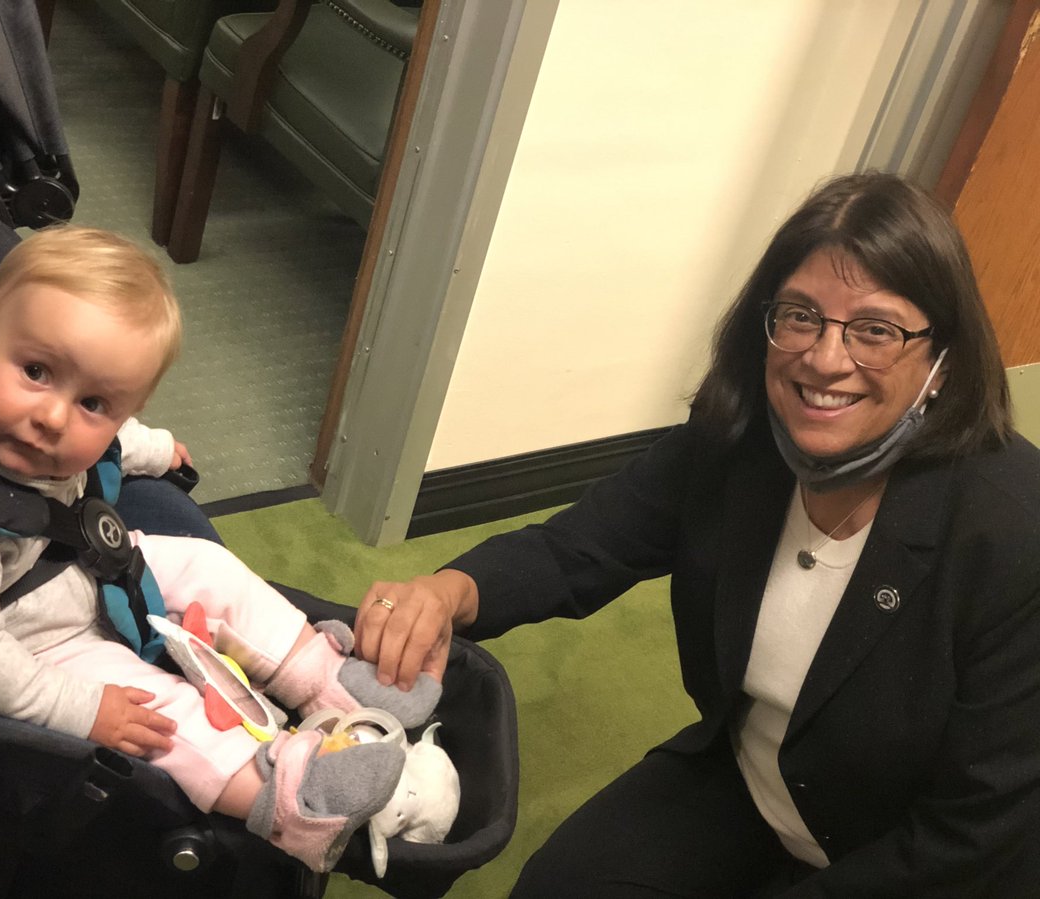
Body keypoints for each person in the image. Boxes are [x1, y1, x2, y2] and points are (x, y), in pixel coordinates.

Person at [351, 172, 1040, 895]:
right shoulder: (736, 447)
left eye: (875, 329)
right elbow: (579, 547)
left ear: (941, 361)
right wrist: (445, 592)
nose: (825, 357)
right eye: (800, 315)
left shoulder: (1014, 534)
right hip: (753, 786)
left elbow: (973, 837)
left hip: (920, 858)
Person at [0, 225, 440, 873]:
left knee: (206, 565)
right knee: (155, 716)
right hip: (38, 642)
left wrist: (153, 446)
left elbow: (111, 440)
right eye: (36, 371)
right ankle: (286, 797)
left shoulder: (34, 419)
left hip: (85, 559)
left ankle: (326, 678)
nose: (53, 417)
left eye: (93, 401)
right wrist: (78, 708)